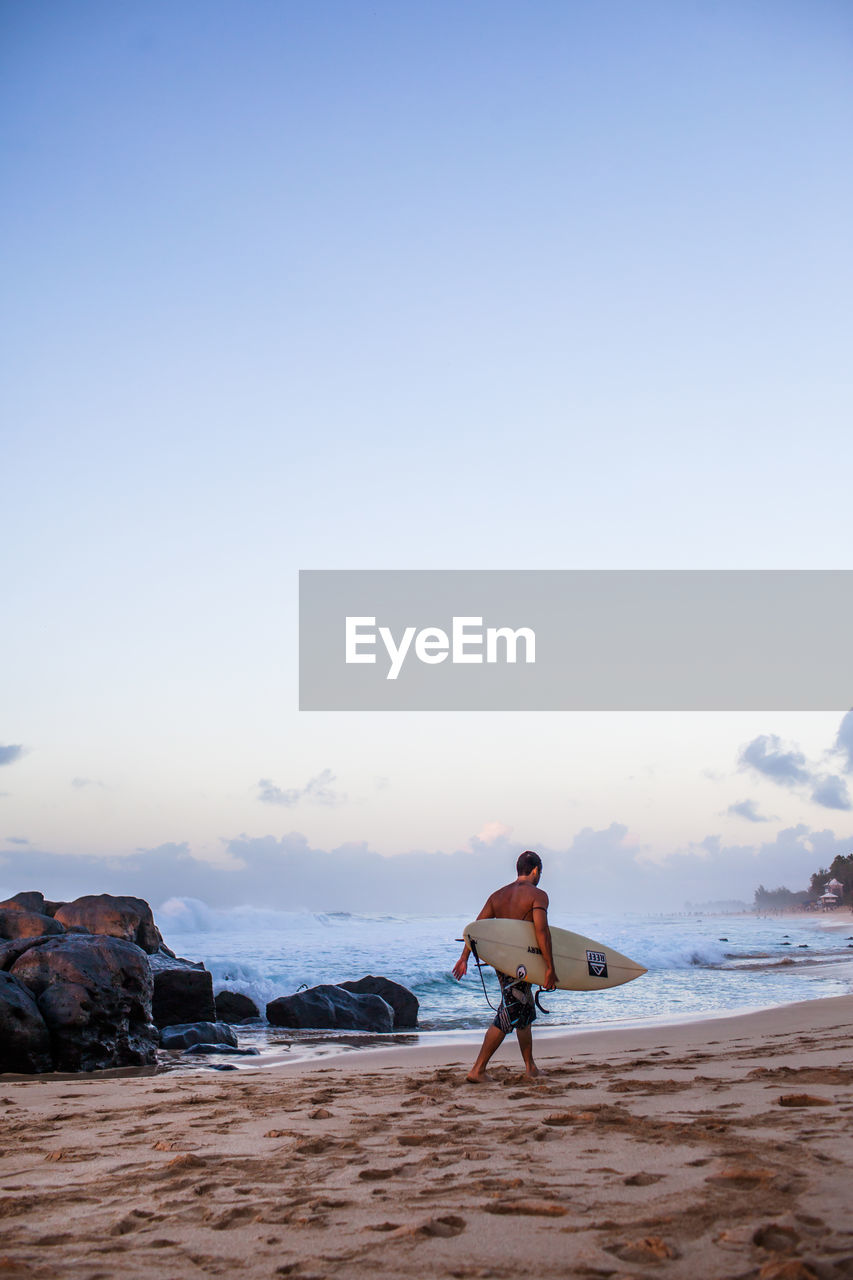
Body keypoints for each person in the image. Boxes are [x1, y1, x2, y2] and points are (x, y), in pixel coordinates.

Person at [452, 850, 558, 1082]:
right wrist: (550, 966)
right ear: (535, 870)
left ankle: (530, 1067)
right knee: (510, 1012)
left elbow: (475, 930)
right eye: (540, 872)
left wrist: (464, 957)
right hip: (523, 964)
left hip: (503, 962)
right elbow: (542, 931)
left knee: (525, 1010)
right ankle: (478, 1069)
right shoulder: (538, 895)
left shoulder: (497, 896)